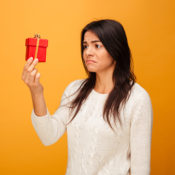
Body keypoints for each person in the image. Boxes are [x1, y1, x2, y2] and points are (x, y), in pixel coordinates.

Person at [21, 19, 153, 175]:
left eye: (97, 45)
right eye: (85, 46)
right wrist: (36, 92)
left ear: (116, 49)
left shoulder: (137, 99)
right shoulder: (75, 90)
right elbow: (48, 135)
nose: (88, 52)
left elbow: (141, 168)